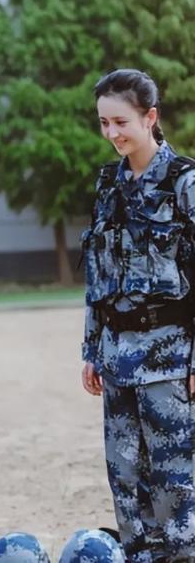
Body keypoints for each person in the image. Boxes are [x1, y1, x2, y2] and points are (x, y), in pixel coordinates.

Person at [80, 68, 195, 562]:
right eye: (104, 123)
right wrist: (90, 349)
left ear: (151, 117)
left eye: (121, 122)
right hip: (116, 358)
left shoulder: (184, 183)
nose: (112, 134)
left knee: (175, 482)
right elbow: (96, 273)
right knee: (125, 480)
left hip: (170, 356)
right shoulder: (108, 184)